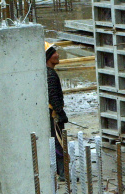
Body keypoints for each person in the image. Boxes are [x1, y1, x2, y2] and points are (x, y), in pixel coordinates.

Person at [45, 43, 68, 177]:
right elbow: (53, 96)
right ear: (48, 57)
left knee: (56, 142)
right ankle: (63, 173)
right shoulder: (50, 75)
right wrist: (60, 112)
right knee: (58, 142)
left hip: (52, 114)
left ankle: (61, 171)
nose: (57, 55)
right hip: (53, 115)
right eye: (54, 53)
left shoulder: (48, 73)